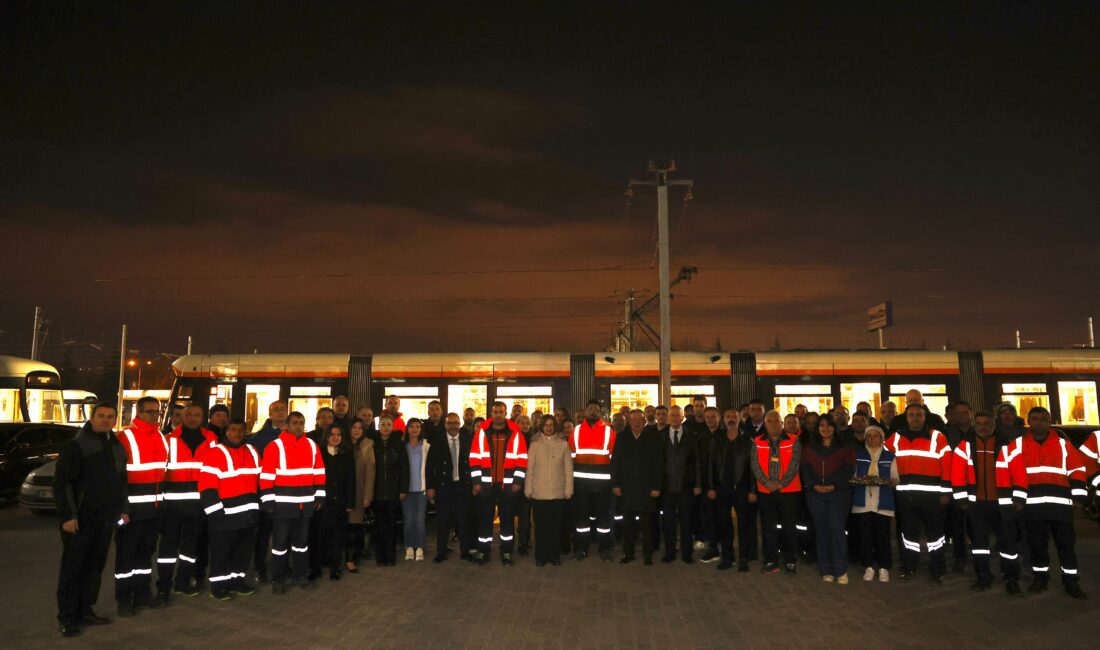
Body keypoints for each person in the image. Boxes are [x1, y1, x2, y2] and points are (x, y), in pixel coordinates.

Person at [54, 402, 126, 637]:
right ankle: (67, 617)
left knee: (95, 567)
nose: (105, 420)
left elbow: (121, 482)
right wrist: (68, 516)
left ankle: (86, 609)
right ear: (92, 418)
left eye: (110, 417)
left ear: (114, 420)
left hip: (106, 519)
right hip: (81, 519)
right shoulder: (77, 445)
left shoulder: (114, 444)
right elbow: (62, 484)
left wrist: (122, 510)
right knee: (73, 569)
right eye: (101, 416)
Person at [1011, 407, 1087, 598]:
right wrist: (1017, 499)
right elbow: (1010, 472)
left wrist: (1078, 497)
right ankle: (1040, 578)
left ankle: (1071, 582)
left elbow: (1077, 469)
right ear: (1029, 421)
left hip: (1060, 506)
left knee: (1066, 546)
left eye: (1043, 419)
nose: (1039, 422)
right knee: (1037, 546)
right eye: (1035, 419)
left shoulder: (1063, 444)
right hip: (1032, 506)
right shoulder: (1018, 445)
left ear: (1050, 421)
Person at [950, 410, 1021, 594]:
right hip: (976, 504)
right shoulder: (964, 446)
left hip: (1002, 503)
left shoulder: (1008, 446)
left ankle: (1011, 577)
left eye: (987, 423)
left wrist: (1020, 497)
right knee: (979, 544)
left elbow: (1019, 472)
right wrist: (961, 498)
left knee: (1007, 543)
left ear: (994, 425)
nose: (983, 427)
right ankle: (983, 576)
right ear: (975, 424)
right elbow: (957, 473)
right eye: (979, 423)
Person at [155, 403, 218, 606]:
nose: (192, 418)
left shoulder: (211, 439)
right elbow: (160, 473)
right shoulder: (169, 440)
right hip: (173, 506)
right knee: (167, 550)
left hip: (198, 506)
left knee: (190, 549)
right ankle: (163, 587)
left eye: (197, 414)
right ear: (182, 416)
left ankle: (182, 582)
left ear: (203, 418)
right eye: (188, 414)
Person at [886, 403, 952, 585]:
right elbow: (884, 459)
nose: (915, 418)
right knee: (909, 536)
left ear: (925, 417)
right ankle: (909, 566)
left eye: (919, 415)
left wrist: (946, 491)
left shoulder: (938, 437)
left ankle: (937, 568)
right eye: (911, 415)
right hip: (906, 497)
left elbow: (947, 466)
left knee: (936, 536)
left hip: (932, 498)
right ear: (906, 418)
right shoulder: (896, 438)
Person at [260, 411, 325, 594]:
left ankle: (300, 576)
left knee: (301, 544)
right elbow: (266, 477)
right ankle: (278, 579)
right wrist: (268, 501)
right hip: (282, 507)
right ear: (286, 425)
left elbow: (319, 472)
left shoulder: (312, 446)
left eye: (301, 423)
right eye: (295, 422)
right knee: (279, 546)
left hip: (304, 506)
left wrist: (319, 496)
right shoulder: (275, 446)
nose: (298, 426)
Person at [115, 395, 169, 617]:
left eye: (157, 412)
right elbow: (115, 478)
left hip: (154, 511)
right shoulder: (125, 437)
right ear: (138, 413)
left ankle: (143, 594)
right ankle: (124, 600)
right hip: (131, 512)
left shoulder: (160, 437)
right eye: (149, 412)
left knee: (145, 556)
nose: (154, 415)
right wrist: (121, 509)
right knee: (126, 558)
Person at [199, 418, 261, 600]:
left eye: (241, 430)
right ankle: (218, 587)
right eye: (233, 429)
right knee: (221, 554)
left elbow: (260, 480)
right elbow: (206, 487)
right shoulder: (215, 453)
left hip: (248, 516)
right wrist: (215, 513)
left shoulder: (252, 451)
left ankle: (237, 583)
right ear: (226, 432)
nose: (238, 433)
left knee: (243, 553)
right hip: (224, 517)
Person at [470, 402, 527, 565]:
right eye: (495, 412)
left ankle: (506, 552)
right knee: (485, 519)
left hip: (508, 485)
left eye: (501, 411)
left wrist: (518, 481)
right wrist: (476, 482)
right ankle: (483, 552)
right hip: (486, 485)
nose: (498, 414)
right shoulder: (481, 433)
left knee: (507, 520)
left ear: (506, 412)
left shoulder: (515, 433)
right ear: (491, 413)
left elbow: (522, 459)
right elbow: (474, 458)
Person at [801, 415, 856, 583]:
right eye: (822, 426)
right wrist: (814, 486)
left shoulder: (845, 447)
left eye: (829, 425)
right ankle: (826, 568)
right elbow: (805, 470)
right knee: (822, 531)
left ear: (835, 428)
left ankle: (840, 569)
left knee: (837, 530)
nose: (825, 429)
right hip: (815, 495)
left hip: (839, 495)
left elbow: (848, 470)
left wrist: (833, 485)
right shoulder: (810, 448)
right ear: (817, 429)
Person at [706, 406, 757, 572]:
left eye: (734, 416)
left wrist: (752, 490)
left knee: (744, 525)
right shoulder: (717, 439)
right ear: (723, 419)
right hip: (722, 489)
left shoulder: (747, 440)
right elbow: (711, 466)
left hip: (741, 489)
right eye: (728, 416)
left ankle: (743, 558)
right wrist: (711, 487)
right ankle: (727, 557)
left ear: (739, 418)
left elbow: (752, 469)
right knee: (724, 524)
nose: (731, 419)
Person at [751, 409, 802, 575]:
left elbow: (794, 465)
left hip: (788, 491)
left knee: (789, 526)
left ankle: (790, 558)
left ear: (782, 424)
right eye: (770, 421)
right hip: (765, 492)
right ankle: (771, 559)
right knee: (768, 527)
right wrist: (767, 483)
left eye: (777, 421)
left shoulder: (794, 440)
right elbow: (755, 465)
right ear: (765, 424)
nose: (774, 424)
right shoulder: (757, 441)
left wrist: (780, 483)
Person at [611, 410, 663, 565]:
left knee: (647, 525)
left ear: (644, 420)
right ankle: (629, 554)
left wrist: (657, 486)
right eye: (633, 420)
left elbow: (658, 465)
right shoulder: (622, 437)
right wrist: (615, 484)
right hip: (627, 489)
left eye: (640, 419)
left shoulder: (653, 438)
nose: (636, 423)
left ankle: (648, 555)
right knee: (628, 525)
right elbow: (615, 463)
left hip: (647, 489)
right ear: (629, 422)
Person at [569, 399, 617, 562]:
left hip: (602, 486)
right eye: (590, 409)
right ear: (585, 411)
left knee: (603, 519)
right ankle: (582, 548)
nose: (593, 412)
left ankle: (604, 548)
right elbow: (570, 458)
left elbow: (614, 458)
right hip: (581, 485)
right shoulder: (575, 431)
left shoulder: (608, 431)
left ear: (600, 412)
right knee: (581, 519)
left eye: (596, 409)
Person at [526, 414, 574, 566]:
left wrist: (568, 489)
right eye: (546, 425)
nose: (548, 427)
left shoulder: (563, 445)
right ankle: (541, 556)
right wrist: (528, 489)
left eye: (551, 425)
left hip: (557, 492)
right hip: (539, 493)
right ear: (541, 426)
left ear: (555, 426)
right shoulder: (534, 445)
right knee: (540, 527)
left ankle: (554, 555)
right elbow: (530, 469)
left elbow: (568, 469)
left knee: (555, 526)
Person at [851, 425, 898, 582]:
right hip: (863, 502)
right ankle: (868, 566)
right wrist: (859, 480)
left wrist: (889, 481)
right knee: (865, 536)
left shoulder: (890, 456)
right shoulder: (858, 455)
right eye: (869, 436)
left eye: (875, 436)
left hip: (882, 501)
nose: (872, 439)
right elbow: (853, 476)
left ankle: (884, 567)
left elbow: (895, 478)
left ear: (882, 438)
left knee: (882, 536)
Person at [426, 413, 475, 563]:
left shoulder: (468, 440)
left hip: (463, 486)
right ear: (445, 424)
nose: (453, 425)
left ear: (459, 423)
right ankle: (441, 551)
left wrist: (475, 484)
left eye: (456, 422)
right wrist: (430, 487)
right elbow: (429, 466)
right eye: (450, 423)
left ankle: (465, 551)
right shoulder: (437, 441)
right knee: (443, 520)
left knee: (463, 520)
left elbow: (474, 463)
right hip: (443, 486)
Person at [249, 399, 287, 583]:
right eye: (276, 410)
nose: (280, 413)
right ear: (270, 414)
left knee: (283, 533)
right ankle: (260, 567)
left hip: (287, 493)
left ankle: (282, 566)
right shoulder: (258, 438)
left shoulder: (293, 435)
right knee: (264, 534)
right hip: (266, 493)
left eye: (283, 409)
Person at [312, 424, 355, 581]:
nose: (335, 437)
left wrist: (350, 503)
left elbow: (351, 480)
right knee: (318, 536)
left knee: (337, 537)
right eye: (332, 434)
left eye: (339, 434)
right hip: (321, 502)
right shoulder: (318, 453)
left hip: (339, 503)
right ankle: (315, 568)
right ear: (326, 436)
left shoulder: (346, 454)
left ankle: (334, 568)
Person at [659, 405, 699, 563]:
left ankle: (687, 553)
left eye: (678, 416)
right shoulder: (660, 436)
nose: (675, 418)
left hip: (686, 486)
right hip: (666, 487)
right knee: (668, 523)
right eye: (672, 415)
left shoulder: (692, 436)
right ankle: (670, 552)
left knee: (686, 522)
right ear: (668, 418)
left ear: (682, 418)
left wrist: (697, 484)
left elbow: (697, 462)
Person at [371, 415, 409, 566]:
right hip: (377, 491)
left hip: (394, 491)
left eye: (388, 424)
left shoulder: (398, 444)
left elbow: (404, 468)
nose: (386, 427)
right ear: (378, 426)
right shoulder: (372, 443)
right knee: (378, 526)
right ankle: (380, 558)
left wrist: (403, 489)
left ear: (393, 427)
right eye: (383, 424)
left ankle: (390, 557)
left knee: (391, 526)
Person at [344, 418, 375, 573]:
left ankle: (350, 559)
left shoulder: (367, 446)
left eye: (360, 428)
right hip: (341, 493)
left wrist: (367, 496)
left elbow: (370, 474)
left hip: (358, 493)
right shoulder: (341, 443)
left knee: (353, 529)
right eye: (354, 427)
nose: (357, 430)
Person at [694, 406, 724, 562]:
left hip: (723, 485)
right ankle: (713, 547)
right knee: (709, 517)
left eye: (713, 416)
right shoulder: (702, 437)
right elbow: (698, 463)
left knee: (723, 517)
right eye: (708, 417)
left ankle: (722, 547)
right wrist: (698, 484)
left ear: (719, 418)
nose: (710, 419)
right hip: (706, 485)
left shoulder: (725, 436)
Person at [402, 418, 430, 562]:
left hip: (421, 489)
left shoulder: (426, 446)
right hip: (406, 490)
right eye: (411, 426)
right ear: (407, 429)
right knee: (408, 520)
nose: (414, 429)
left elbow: (430, 469)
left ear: (421, 429)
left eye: (417, 427)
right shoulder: (403, 446)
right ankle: (409, 546)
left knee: (419, 520)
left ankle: (419, 546)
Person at [513, 414, 534, 556]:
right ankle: (518, 542)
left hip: (530, 482)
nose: (525, 425)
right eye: (522, 423)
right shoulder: (512, 439)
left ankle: (523, 544)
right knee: (515, 514)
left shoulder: (534, 441)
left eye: (527, 423)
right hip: (514, 482)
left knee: (525, 515)